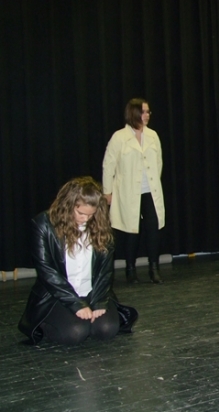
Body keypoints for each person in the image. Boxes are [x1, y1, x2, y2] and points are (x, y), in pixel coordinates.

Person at [18, 177, 138, 345]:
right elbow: (47, 271)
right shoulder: (44, 223)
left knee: (107, 329)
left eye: (91, 214)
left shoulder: (100, 224)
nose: (86, 219)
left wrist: (99, 301)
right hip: (57, 294)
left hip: (91, 291)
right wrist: (76, 304)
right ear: (68, 205)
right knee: (75, 332)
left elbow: (105, 271)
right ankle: (44, 322)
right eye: (80, 213)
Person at [102, 98, 165, 284]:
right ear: (134, 113)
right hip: (128, 192)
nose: (147, 115)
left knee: (154, 229)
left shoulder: (153, 135)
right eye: (143, 112)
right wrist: (107, 192)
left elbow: (159, 162)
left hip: (150, 191)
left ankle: (154, 268)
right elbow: (108, 165)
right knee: (131, 230)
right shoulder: (119, 137)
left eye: (148, 112)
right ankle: (130, 269)